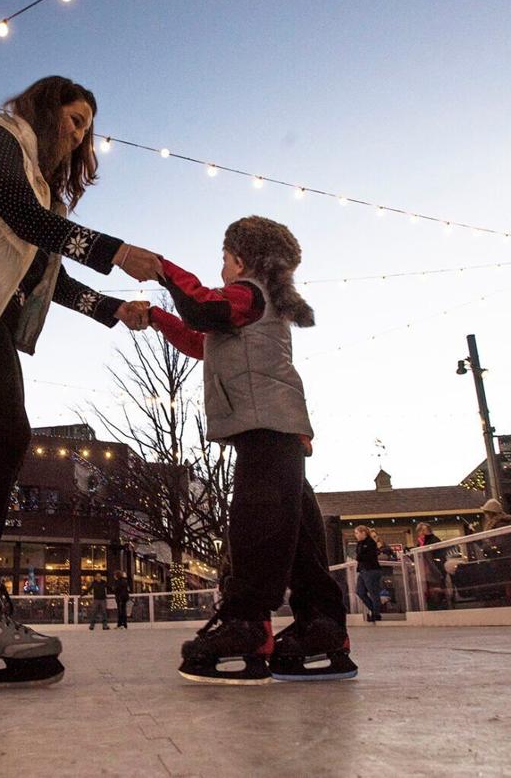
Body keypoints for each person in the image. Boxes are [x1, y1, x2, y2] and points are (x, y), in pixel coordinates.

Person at [0, 75, 160, 688]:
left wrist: (112, 308)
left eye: (87, 129)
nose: (80, 136)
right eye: (74, 120)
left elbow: (49, 281)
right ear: (45, 110)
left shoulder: (44, 194)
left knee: (6, 441)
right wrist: (117, 250)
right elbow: (19, 214)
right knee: (8, 439)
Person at [149, 216, 356, 684]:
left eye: (224, 260)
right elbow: (202, 341)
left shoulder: (248, 293)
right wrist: (158, 318)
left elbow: (202, 309)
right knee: (297, 528)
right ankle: (320, 624)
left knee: (256, 519)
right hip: (274, 427)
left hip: (266, 426)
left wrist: (162, 268)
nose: (221, 270)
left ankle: (245, 623)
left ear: (242, 260)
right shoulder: (256, 306)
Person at [353, 525, 384, 623]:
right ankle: (374, 610)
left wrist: (359, 556)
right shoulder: (359, 544)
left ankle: (376, 613)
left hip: (371, 570)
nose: (356, 535)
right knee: (360, 591)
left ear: (363, 533)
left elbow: (364, 556)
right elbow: (359, 555)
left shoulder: (370, 543)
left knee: (373, 592)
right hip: (362, 570)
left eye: (357, 533)